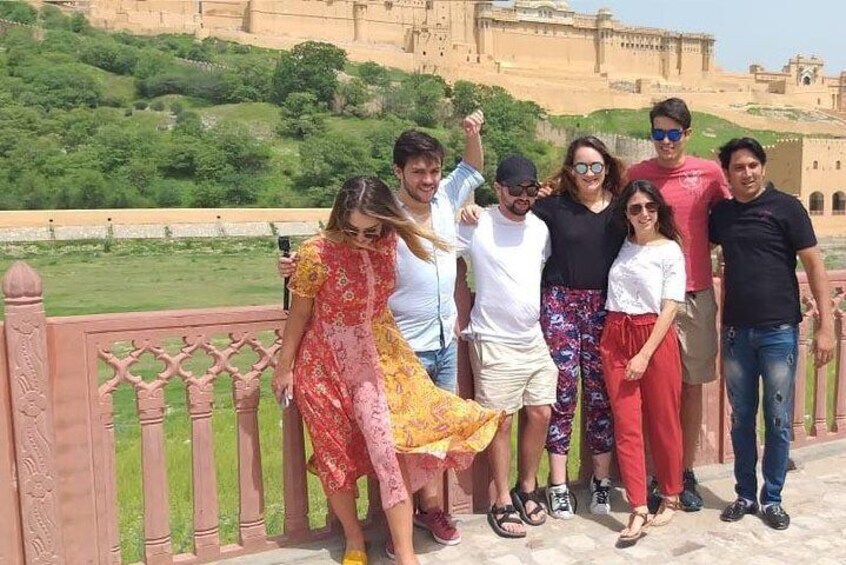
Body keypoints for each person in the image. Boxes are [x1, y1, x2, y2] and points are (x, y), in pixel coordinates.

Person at [279, 112, 485, 550]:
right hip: (324, 366)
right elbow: (299, 313)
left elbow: (469, 176)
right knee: (336, 456)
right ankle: (355, 541)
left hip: (382, 359)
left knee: (391, 452)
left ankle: (406, 550)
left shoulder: (392, 236)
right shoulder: (320, 251)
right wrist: (284, 368)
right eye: (353, 230)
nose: (362, 239)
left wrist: (474, 203)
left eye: (370, 231)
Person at [710, 137, 834, 530]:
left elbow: (815, 266)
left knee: (778, 419)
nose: (746, 173)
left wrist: (826, 327)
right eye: (737, 168)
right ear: (727, 174)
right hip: (735, 333)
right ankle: (745, 494)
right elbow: (692, 240)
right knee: (741, 419)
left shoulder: (787, 208)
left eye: (752, 165)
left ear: (762, 167)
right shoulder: (723, 215)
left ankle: (773, 497)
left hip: (779, 331)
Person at [627, 97, 730, 512]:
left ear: (686, 134)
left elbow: (735, 214)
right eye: (658, 133)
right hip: (649, 301)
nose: (665, 142)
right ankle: (658, 473)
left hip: (694, 295)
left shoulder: (708, 174)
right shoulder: (638, 175)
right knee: (654, 391)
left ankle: (683, 470)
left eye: (673, 134)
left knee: (690, 389)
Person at [457, 155, 557, 539]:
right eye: (514, 189)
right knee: (501, 423)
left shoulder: (540, 229)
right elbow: (441, 252)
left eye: (530, 190)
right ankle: (500, 500)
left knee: (542, 413)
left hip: (532, 338)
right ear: (498, 188)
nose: (522, 197)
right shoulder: (476, 223)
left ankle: (526, 487)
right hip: (493, 340)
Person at [532, 136, 626, 518]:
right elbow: (511, 215)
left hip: (604, 307)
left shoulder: (621, 210)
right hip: (560, 305)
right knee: (563, 392)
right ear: (571, 170)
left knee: (601, 395)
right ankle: (557, 483)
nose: (589, 173)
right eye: (581, 166)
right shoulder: (552, 207)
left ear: (607, 167)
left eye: (596, 166)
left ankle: (600, 482)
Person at [599, 179, 686, 547]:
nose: (644, 214)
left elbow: (671, 305)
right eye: (636, 208)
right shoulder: (620, 245)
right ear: (626, 214)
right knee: (627, 423)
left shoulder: (669, 250)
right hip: (616, 332)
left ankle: (671, 492)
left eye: (650, 207)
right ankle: (637, 504)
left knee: (664, 417)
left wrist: (645, 353)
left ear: (659, 210)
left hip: (654, 336)